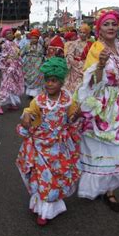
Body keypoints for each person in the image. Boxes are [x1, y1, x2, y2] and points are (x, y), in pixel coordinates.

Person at [77, 9, 119, 212]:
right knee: (97, 149)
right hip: (100, 105)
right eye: (106, 24)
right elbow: (91, 82)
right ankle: (96, 188)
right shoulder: (96, 48)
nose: (111, 27)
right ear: (99, 28)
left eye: (114, 24)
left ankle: (110, 190)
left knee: (117, 148)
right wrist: (101, 65)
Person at [16, 57, 81, 225]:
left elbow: (72, 119)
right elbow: (28, 115)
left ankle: (46, 206)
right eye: (47, 81)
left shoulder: (68, 100)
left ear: (61, 82)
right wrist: (26, 119)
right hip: (40, 147)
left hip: (59, 147)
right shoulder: (38, 101)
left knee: (56, 178)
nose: (49, 84)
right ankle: (43, 210)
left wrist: (77, 115)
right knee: (43, 178)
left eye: (54, 81)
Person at [0, 26, 24, 114]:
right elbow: (3, 56)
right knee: (5, 86)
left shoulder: (14, 43)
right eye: (7, 33)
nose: (10, 35)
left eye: (11, 33)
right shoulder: (5, 44)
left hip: (15, 68)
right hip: (8, 69)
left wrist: (17, 62)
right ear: (4, 35)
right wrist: (9, 64)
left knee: (13, 86)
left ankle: (11, 104)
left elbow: (18, 55)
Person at [63, 27, 89, 93]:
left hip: (86, 66)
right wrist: (72, 62)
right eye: (81, 32)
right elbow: (69, 54)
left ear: (87, 34)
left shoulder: (90, 44)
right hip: (75, 67)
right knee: (75, 85)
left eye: (84, 33)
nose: (82, 34)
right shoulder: (74, 43)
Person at [21, 28, 45, 98]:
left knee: (36, 78)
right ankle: (30, 93)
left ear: (38, 39)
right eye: (33, 38)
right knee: (29, 79)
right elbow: (21, 54)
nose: (34, 39)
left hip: (37, 65)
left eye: (36, 38)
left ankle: (35, 94)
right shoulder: (27, 46)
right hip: (28, 65)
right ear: (30, 38)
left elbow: (42, 55)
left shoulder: (40, 46)